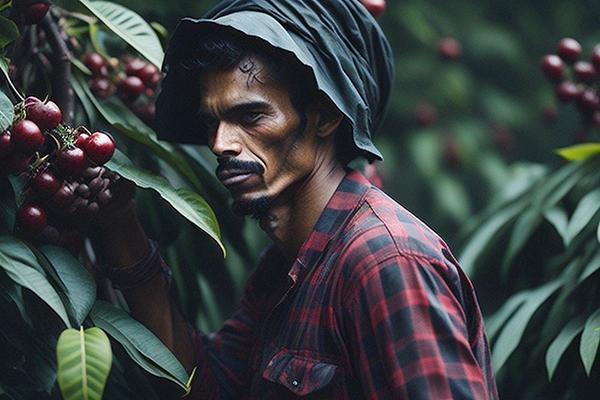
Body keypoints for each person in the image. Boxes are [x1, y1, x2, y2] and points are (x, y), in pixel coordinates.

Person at [93, 0, 499, 398]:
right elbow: (205, 386)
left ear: (324, 116)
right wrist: (119, 224)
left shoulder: (384, 261)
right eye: (211, 122)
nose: (220, 144)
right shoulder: (288, 267)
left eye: (250, 116)